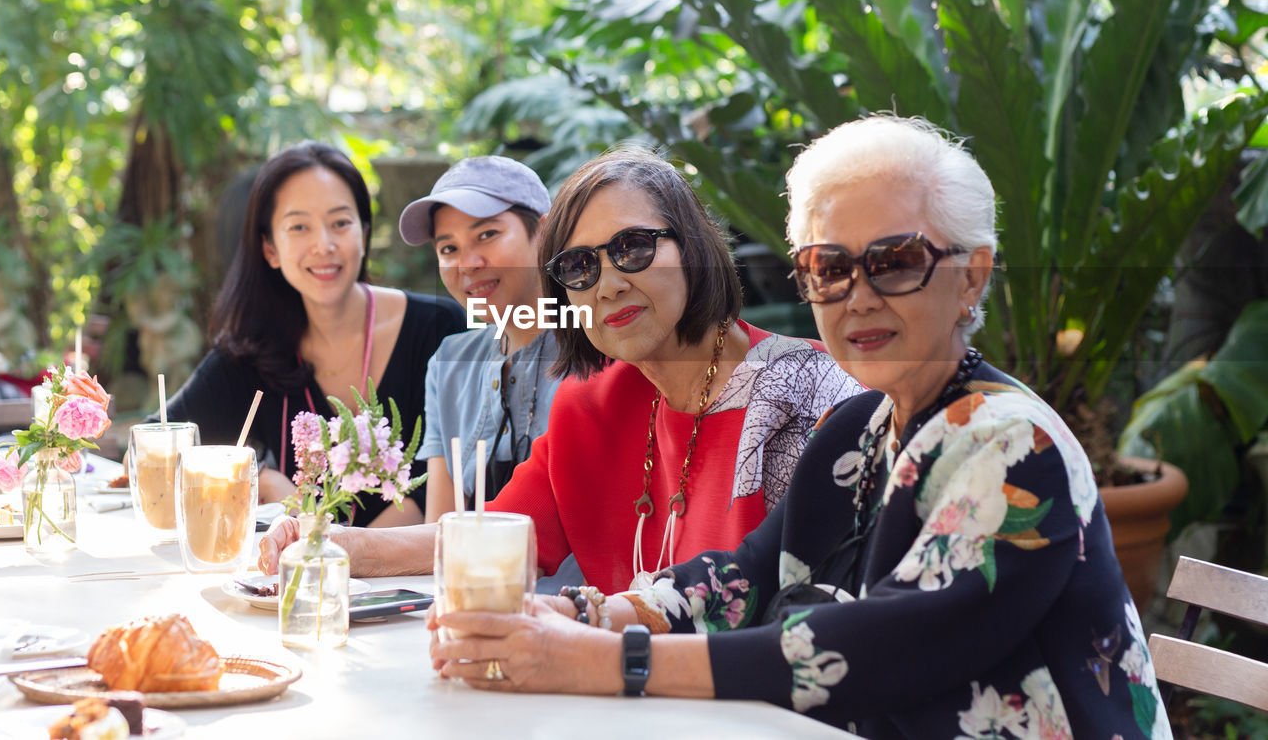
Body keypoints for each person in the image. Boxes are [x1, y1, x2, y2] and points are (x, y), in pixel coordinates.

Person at [427, 117, 1171, 739]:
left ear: (971, 276)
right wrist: (584, 610)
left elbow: (875, 650)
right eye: (829, 267)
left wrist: (602, 658)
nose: (859, 295)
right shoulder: (860, 427)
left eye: (897, 260)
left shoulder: (1013, 444)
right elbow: (745, 576)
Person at [260, 147, 862, 591]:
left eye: (633, 247)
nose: (608, 283)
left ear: (694, 246)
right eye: (579, 267)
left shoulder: (809, 396)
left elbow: (817, 620)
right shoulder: (588, 405)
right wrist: (330, 541)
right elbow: (485, 534)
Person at [153, 142, 464, 527]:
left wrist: (342, 550)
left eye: (340, 223)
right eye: (299, 226)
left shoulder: (439, 328)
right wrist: (256, 475)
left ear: (364, 234)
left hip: (414, 583)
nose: (324, 245)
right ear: (270, 248)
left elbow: (449, 487)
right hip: (298, 583)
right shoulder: (252, 350)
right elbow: (156, 444)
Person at [397, 156, 563, 522]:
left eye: (486, 235)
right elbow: (439, 530)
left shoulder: (602, 349)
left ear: (545, 232)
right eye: (448, 249)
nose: (467, 263)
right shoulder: (448, 362)